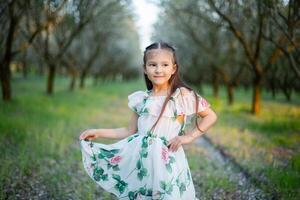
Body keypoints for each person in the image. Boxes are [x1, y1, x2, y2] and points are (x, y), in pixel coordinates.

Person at [79, 41, 217, 200]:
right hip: (142, 162)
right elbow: (128, 131)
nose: (159, 70)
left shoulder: (181, 96)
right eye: (152, 65)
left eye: (165, 65)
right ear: (145, 69)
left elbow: (210, 116)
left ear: (173, 68)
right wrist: (97, 132)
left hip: (168, 162)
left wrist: (189, 136)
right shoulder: (142, 99)